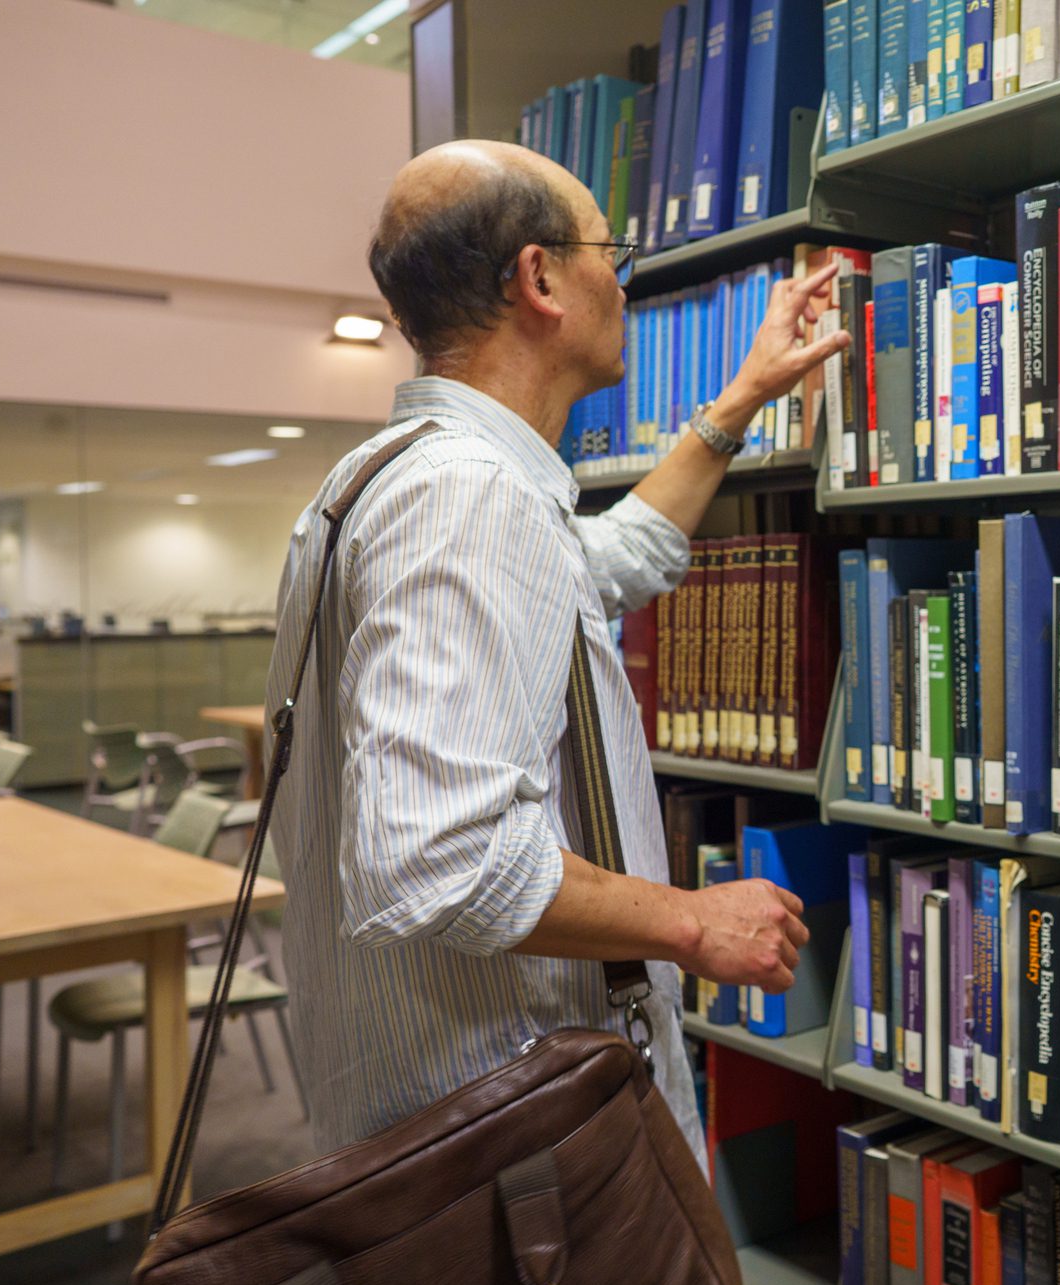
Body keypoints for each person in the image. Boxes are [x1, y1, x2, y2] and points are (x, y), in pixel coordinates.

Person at [266, 139, 848, 1161]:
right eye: (606, 252)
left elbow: (602, 566)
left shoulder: (388, 480)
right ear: (540, 278)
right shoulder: (464, 501)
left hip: (454, 1135)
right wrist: (687, 920)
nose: (620, 280)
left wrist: (744, 398)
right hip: (514, 1163)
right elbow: (440, 859)